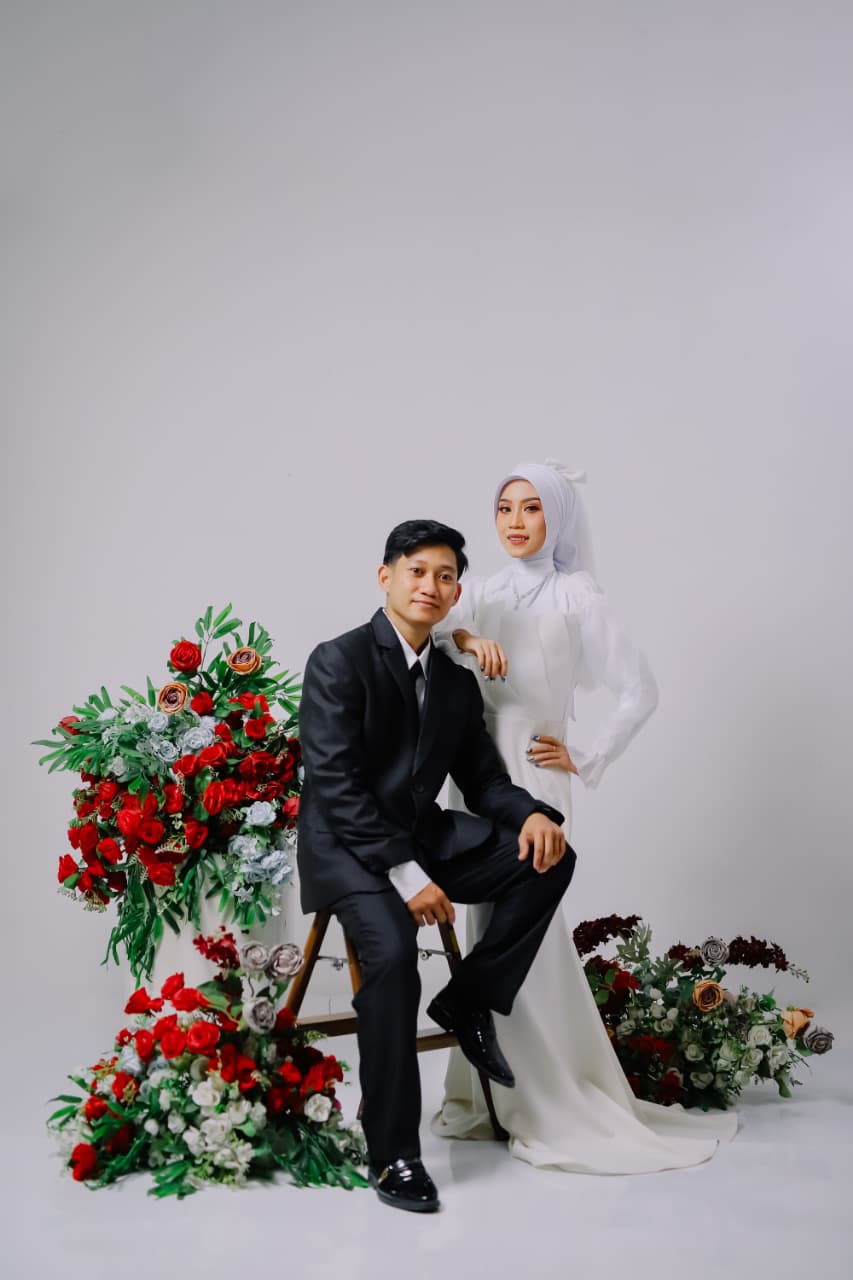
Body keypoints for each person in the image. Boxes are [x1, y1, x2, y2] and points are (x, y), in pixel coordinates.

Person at [431, 461, 738, 1172]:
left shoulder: (577, 595)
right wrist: (468, 639)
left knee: (530, 922)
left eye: (531, 507)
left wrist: (587, 755)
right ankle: (486, 1090)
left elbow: (639, 688)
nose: (514, 521)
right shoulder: (480, 590)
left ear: (558, 517)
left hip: (533, 766)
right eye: (504, 507)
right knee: (485, 919)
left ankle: (542, 1095)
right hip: (474, 771)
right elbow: (437, 634)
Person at [296, 519, 576, 1212]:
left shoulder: (453, 681)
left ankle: (469, 997)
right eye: (417, 570)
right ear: (385, 577)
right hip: (351, 851)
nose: (430, 585)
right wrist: (407, 876)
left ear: (455, 594)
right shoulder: (338, 660)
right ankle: (394, 1154)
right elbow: (336, 787)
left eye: (445, 576)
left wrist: (530, 814)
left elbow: (482, 781)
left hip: (423, 840)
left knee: (547, 858)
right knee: (394, 956)